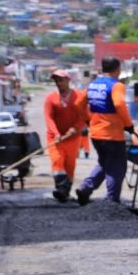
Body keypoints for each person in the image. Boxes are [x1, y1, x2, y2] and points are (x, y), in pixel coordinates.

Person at [76, 57, 134, 205]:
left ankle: (85, 188)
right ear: (118, 69)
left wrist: (88, 120)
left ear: (102, 69)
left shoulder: (92, 85)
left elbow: (78, 103)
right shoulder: (116, 85)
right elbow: (119, 104)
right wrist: (128, 124)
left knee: (104, 163)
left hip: (96, 134)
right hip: (112, 135)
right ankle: (112, 201)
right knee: (116, 167)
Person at [43, 68, 90, 202]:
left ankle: (65, 192)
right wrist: (56, 133)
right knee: (57, 160)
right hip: (55, 138)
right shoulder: (50, 98)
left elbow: (85, 116)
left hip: (72, 138)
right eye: (56, 81)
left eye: (61, 80)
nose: (58, 83)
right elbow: (49, 118)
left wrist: (74, 129)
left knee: (70, 164)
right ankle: (61, 189)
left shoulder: (79, 96)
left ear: (68, 81)